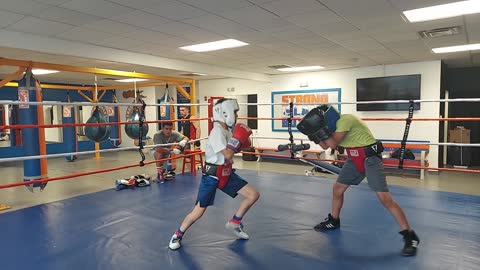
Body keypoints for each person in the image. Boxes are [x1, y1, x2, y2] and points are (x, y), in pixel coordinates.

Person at [297, 105, 420, 256]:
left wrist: (320, 130)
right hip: (354, 158)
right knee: (338, 189)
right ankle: (334, 220)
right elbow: (326, 146)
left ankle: (410, 236)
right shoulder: (333, 128)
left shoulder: (346, 120)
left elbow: (333, 144)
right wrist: (314, 133)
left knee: (385, 199)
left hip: (370, 158)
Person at [168, 98, 260, 250]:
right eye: (235, 112)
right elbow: (228, 154)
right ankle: (177, 234)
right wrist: (238, 140)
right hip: (212, 176)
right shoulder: (217, 131)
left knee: (253, 195)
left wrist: (244, 140)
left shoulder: (227, 130)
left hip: (226, 173)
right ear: (225, 112)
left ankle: (235, 222)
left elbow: (241, 147)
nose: (236, 115)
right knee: (198, 212)